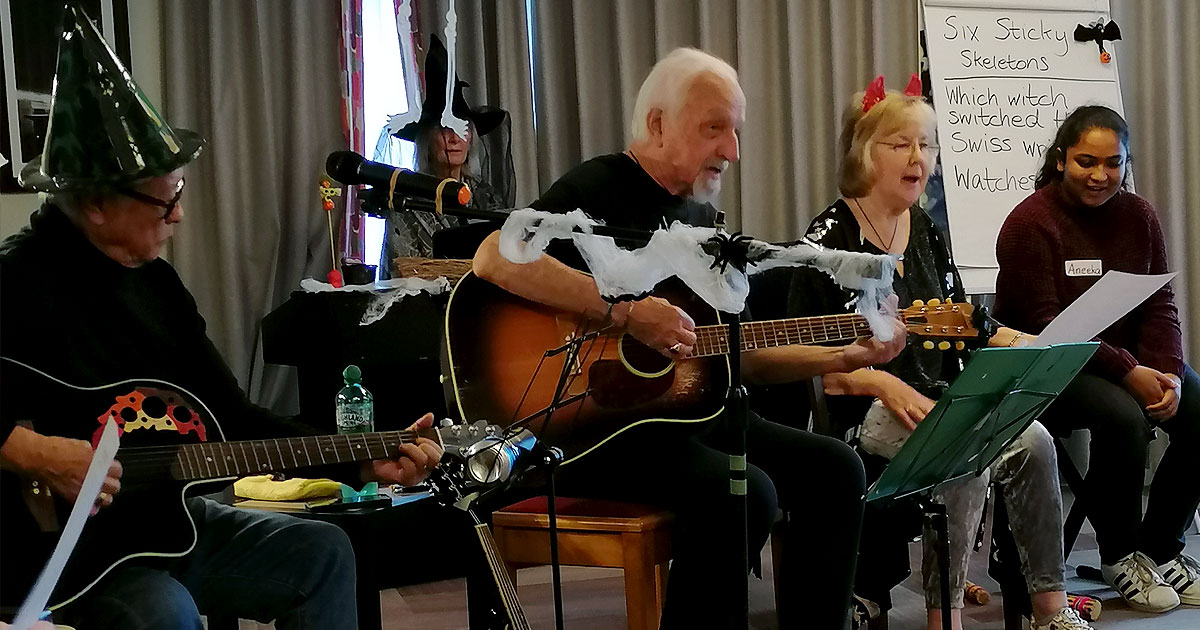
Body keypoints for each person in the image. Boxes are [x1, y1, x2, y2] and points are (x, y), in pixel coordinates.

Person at [0, 8, 441, 629]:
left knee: (321, 553)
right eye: (166, 200)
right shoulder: (16, 282)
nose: (178, 217)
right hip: (60, 559)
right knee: (165, 611)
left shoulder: (156, 286)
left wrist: (359, 458)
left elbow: (233, 421)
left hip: (162, 524)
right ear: (97, 202)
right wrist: (36, 453)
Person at [472, 47, 908, 630]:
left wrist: (845, 353)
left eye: (734, 131)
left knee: (836, 467)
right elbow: (494, 258)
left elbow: (735, 356)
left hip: (687, 419)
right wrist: (622, 313)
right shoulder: (601, 185)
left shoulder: (702, 221)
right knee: (739, 491)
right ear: (657, 124)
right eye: (714, 129)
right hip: (592, 428)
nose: (732, 151)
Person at [786, 77, 1091, 630]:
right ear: (863, 150)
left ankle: (1051, 609)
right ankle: (943, 616)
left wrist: (1016, 342)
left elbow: (963, 319)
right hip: (865, 414)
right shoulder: (828, 240)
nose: (918, 158)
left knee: (1037, 440)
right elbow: (817, 364)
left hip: (942, 399)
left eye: (926, 145)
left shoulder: (925, 228)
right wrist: (881, 382)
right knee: (964, 453)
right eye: (900, 143)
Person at [995, 105, 1200, 614]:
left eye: (1114, 163)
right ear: (1062, 159)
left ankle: (1159, 548)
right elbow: (1049, 325)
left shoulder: (1139, 215)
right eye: (1087, 161)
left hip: (1124, 360)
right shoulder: (1029, 223)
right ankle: (1119, 555)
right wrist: (1129, 372)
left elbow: (1159, 304)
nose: (1100, 175)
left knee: (1197, 406)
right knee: (1123, 416)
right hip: (1047, 363)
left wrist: (1168, 372)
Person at [377, 35, 512, 269]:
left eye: (462, 128)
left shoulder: (486, 196)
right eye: (444, 128)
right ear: (427, 140)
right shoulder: (407, 201)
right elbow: (402, 271)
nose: (454, 138)